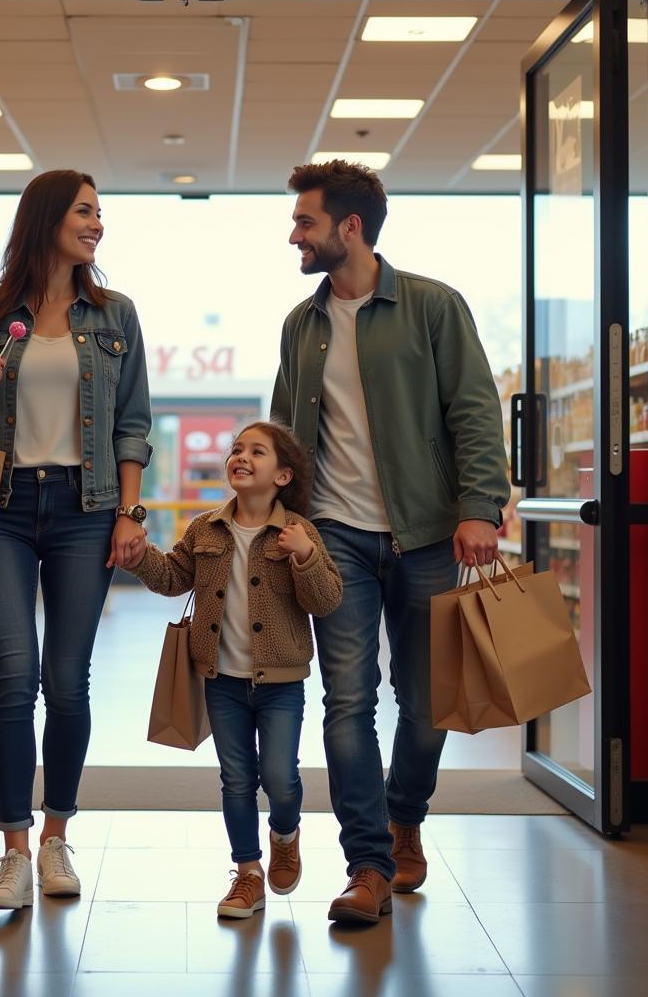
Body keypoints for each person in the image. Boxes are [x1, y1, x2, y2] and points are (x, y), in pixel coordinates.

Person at [271, 160, 509, 925]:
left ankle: (407, 815)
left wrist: (481, 506)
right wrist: (276, 520)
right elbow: (284, 435)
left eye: (305, 222)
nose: (294, 236)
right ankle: (367, 864)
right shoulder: (300, 327)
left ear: (350, 228)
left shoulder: (433, 307)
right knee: (346, 701)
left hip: (430, 534)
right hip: (333, 536)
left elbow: (474, 411)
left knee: (428, 704)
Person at [0, 169, 153, 911]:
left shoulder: (115, 315)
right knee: (12, 677)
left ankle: (58, 837)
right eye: (85, 211)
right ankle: (13, 851)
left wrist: (131, 513)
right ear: (47, 219)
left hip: (84, 508)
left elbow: (132, 424)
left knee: (67, 681)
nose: (97, 224)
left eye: (100, 212)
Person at [125, 421, 342, 918]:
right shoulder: (206, 528)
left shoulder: (298, 533)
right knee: (237, 778)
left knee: (281, 777)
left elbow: (327, 600)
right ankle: (247, 873)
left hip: (281, 682)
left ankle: (285, 833)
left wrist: (305, 557)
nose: (241, 457)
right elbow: (175, 575)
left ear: (283, 475)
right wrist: (139, 559)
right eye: (237, 449)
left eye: (257, 452)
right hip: (220, 679)